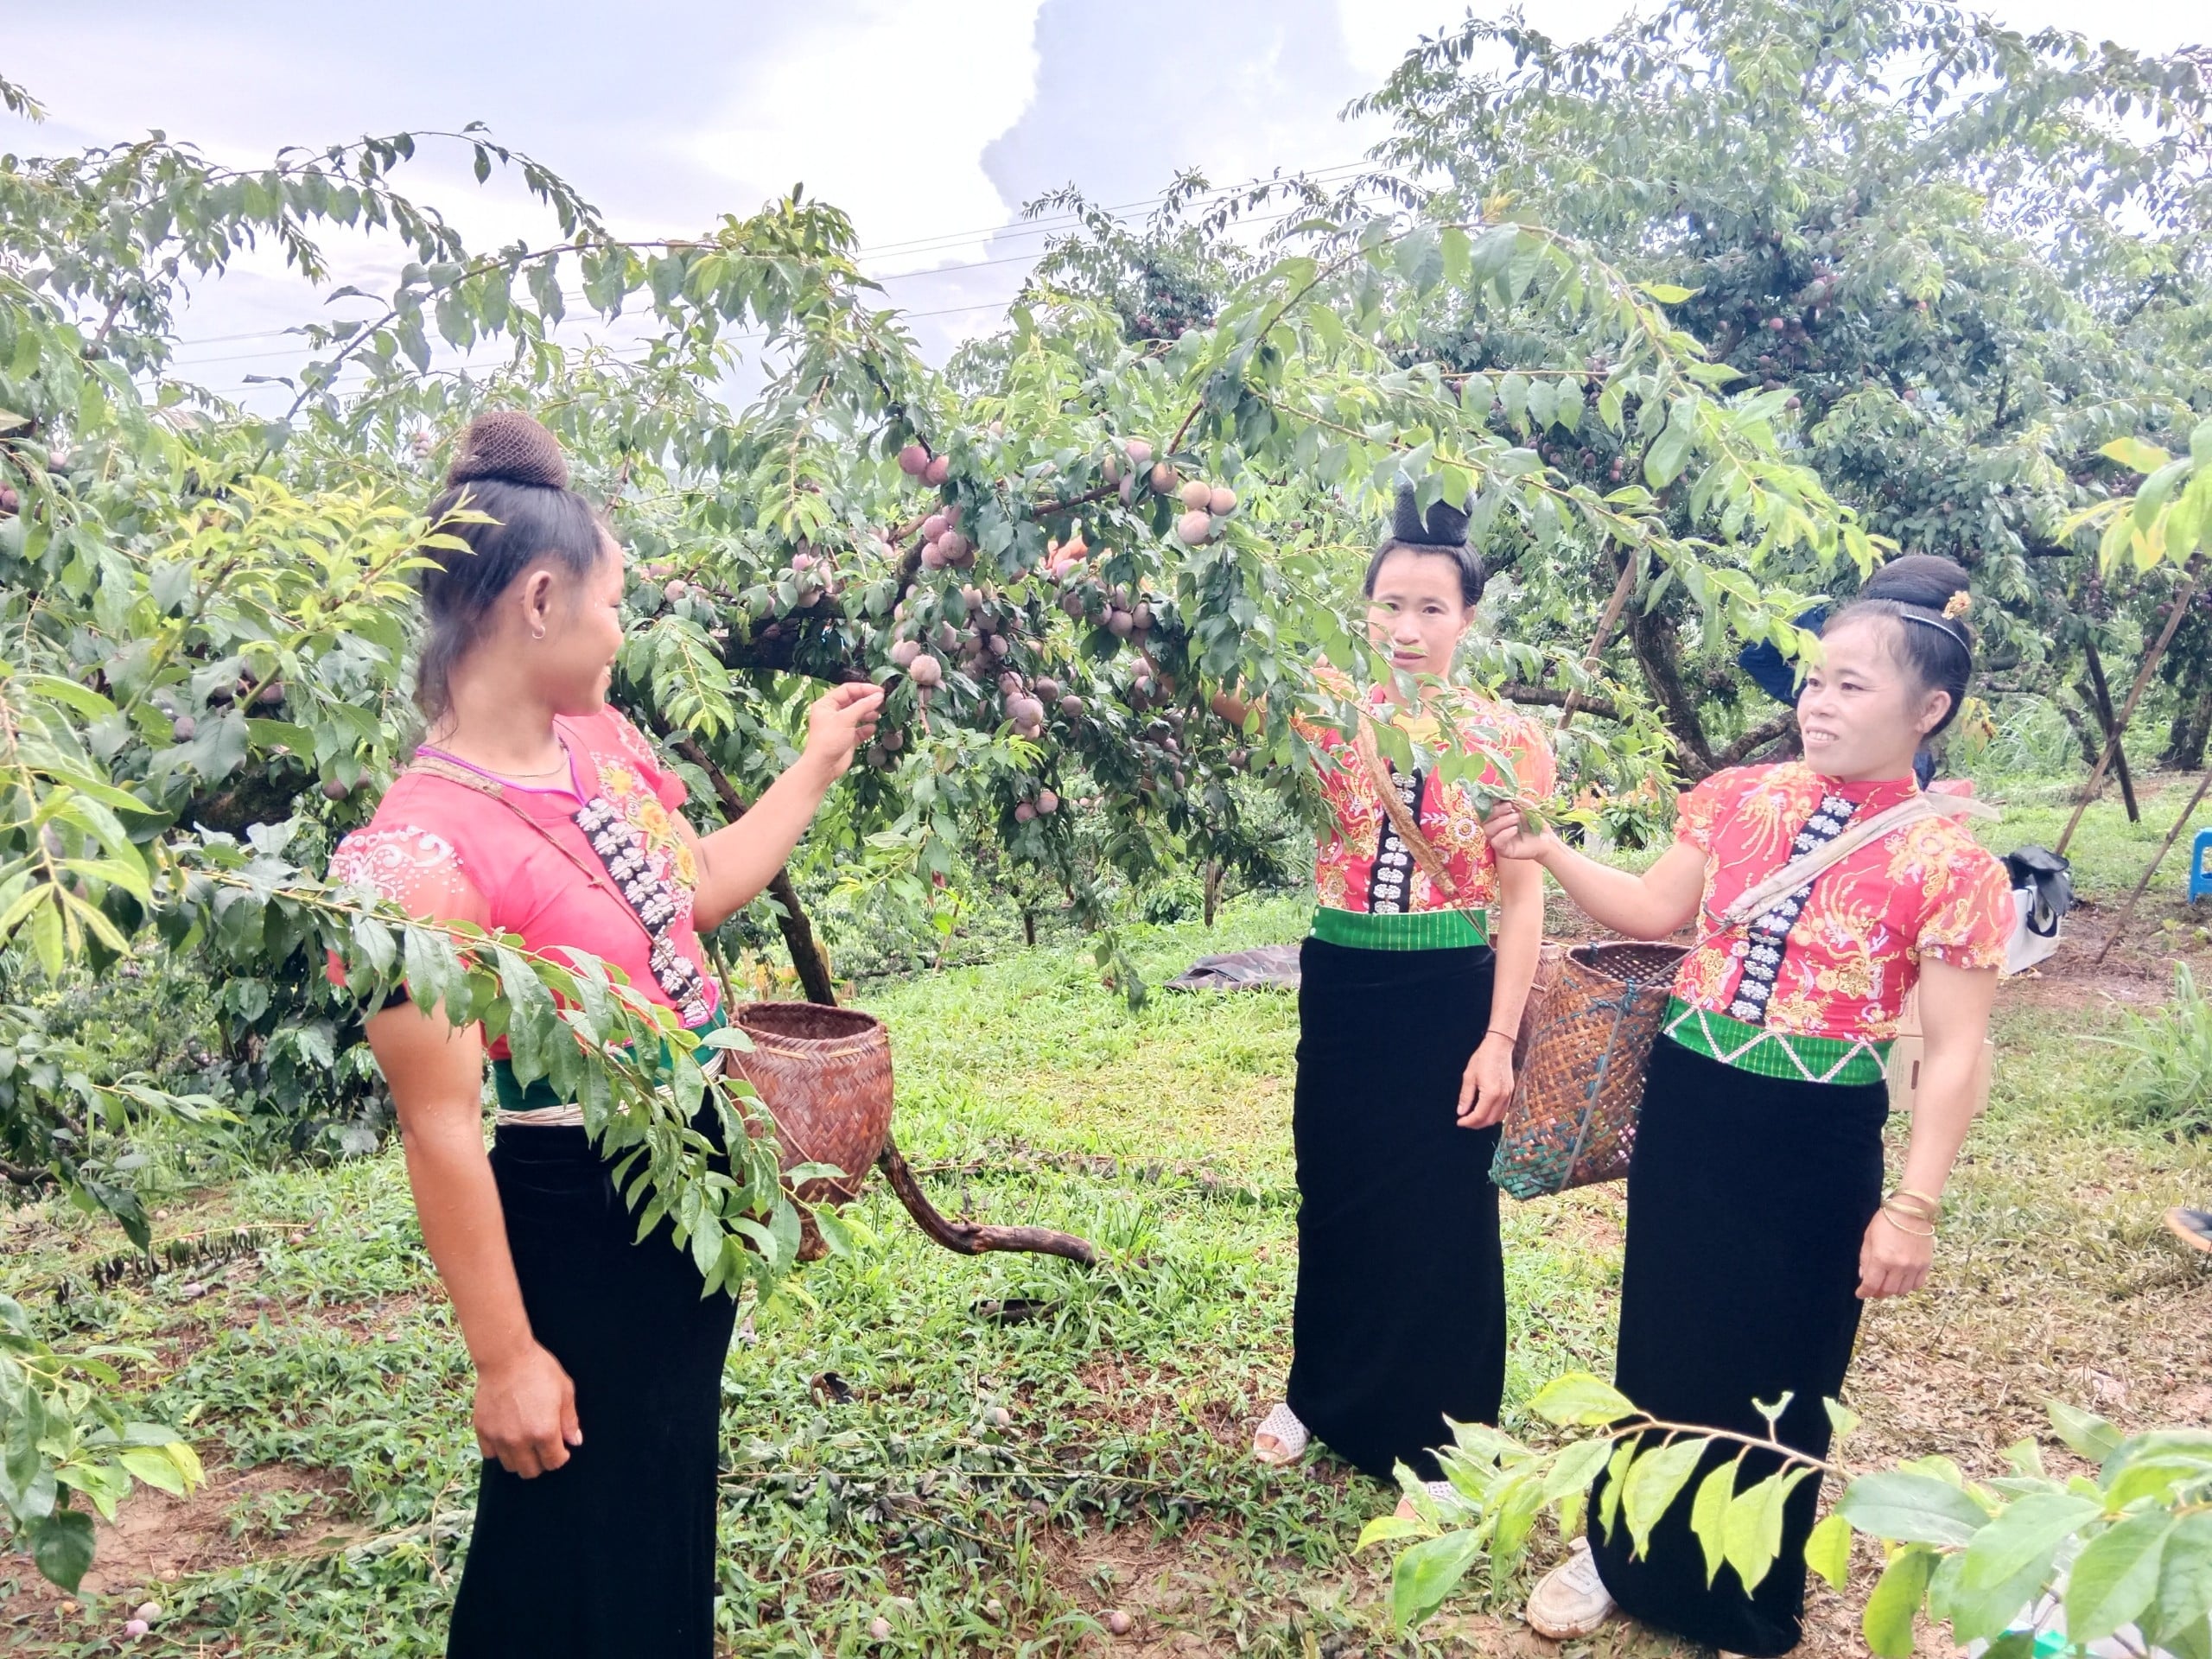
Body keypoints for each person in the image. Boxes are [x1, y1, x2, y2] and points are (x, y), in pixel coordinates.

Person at [328, 411, 881, 1658]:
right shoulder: (419, 858)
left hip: (673, 1193)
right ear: (539, 599)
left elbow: (685, 895)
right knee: (568, 1528)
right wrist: (505, 1354)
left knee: (657, 1490)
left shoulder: (595, 753)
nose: (623, 631)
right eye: (615, 599)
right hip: (574, 1215)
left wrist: (814, 763)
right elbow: (441, 1124)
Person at [1490, 556, 2012, 1655]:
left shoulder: (1950, 862)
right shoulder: (1739, 801)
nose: (1818, 702)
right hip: (1692, 1102)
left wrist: (1911, 1207)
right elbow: (1651, 907)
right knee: (1665, 1338)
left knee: (1784, 1366)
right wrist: (1548, 848)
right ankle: (1616, 1549)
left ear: (1930, 710)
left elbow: (1959, 1051)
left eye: (1852, 685)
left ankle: (1741, 1591)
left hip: (1815, 1134)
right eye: (1814, 679)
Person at [1214, 482, 1554, 1495]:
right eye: (1388, 607)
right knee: (1337, 1187)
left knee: (1447, 1208)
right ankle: (1315, 1391)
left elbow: (1523, 901)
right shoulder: (1324, 711)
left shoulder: (1505, 738)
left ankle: (1446, 1430)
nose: (1406, 629)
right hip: (1343, 976)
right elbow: (1217, 681)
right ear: (1363, 612)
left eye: (1430, 609)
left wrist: (1498, 1038)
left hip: (1451, 983)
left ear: (1468, 619)